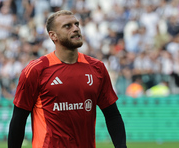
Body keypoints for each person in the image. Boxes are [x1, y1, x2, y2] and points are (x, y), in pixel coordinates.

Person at [8, 10, 127, 148]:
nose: (76, 28)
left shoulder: (97, 68)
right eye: (67, 26)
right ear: (53, 36)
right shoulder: (36, 70)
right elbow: (18, 119)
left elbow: (112, 115)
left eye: (76, 24)